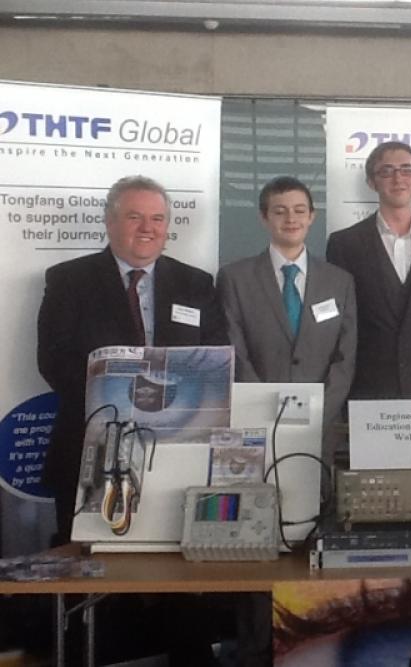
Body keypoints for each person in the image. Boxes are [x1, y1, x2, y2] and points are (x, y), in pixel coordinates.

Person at [35, 175, 229, 665]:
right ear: (110, 221)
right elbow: (54, 362)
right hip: (91, 448)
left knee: (180, 567)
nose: (148, 228)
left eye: (158, 218)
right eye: (135, 217)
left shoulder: (196, 283)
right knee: (91, 569)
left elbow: (214, 362)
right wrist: (127, 402)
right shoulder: (69, 280)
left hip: (177, 450)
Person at [217, 176, 357, 454]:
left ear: (311, 216)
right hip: (256, 425)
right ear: (264, 218)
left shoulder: (339, 281)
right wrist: (263, 409)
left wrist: (318, 413)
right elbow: (235, 352)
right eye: (280, 211)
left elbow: (345, 358)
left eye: (299, 210)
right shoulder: (235, 278)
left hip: (321, 428)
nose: (291, 219)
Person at [326, 140, 411, 400]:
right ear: (371, 182)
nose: (398, 178)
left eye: (406, 170)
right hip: (366, 386)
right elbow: (341, 323)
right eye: (386, 171)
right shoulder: (344, 244)